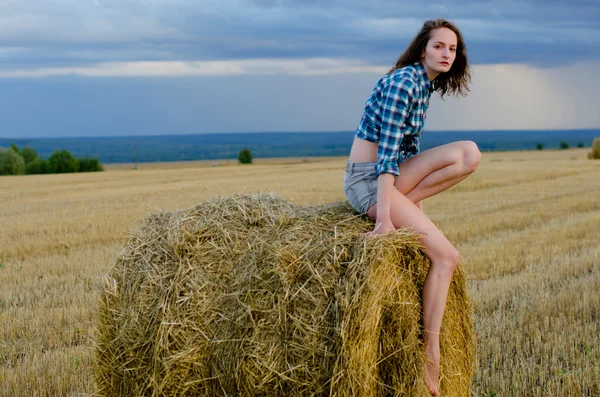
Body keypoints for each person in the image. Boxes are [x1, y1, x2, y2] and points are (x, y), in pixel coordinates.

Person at [343, 19, 481, 396]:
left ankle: (409, 205)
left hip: (387, 176)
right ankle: (431, 354)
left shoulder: (424, 87)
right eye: (439, 46)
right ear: (424, 49)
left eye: (452, 49)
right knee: (446, 257)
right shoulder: (405, 83)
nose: (446, 54)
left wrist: (412, 206)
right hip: (367, 182)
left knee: (468, 154)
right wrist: (386, 219)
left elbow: (406, 154)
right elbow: (387, 157)